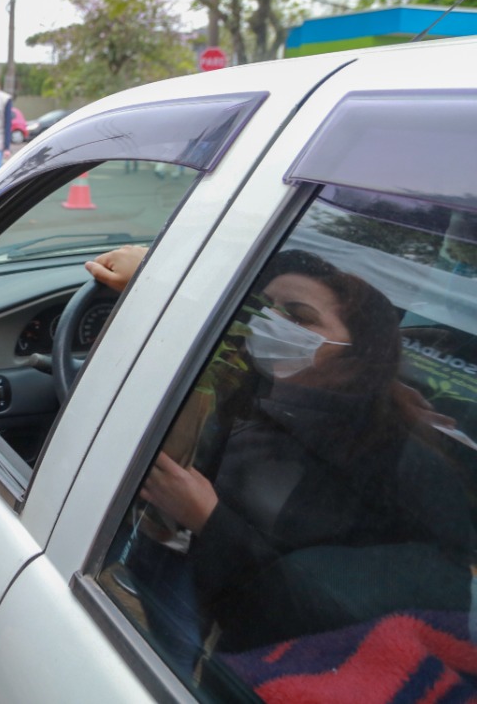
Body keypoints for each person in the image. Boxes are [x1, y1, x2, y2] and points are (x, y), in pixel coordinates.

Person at [102, 247, 472, 658]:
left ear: (357, 354)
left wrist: (208, 520)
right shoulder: (253, 390)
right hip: (179, 577)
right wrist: (155, 287)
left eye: (298, 316)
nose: (270, 324)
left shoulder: (394, 462)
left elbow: (324, 603)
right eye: (265, 308)